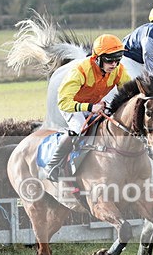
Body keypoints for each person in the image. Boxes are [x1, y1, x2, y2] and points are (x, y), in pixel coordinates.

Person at [40, 34, 131, 182]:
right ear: (97, 58)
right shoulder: (80, 71)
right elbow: (64, 103)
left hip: (93, 103)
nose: (114, 64)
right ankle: (52, 165)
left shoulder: (118, 70)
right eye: (110, 60)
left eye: (117, 59)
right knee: (78, 128)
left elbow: (130, 91)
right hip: (71, 105)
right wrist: (90, 107)